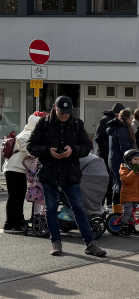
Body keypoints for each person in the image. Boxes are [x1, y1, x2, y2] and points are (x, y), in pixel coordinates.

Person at [28, 96, 108, 257]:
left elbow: (86, 147)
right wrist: (48, 151)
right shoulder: (44, 123)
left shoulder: (77, 123)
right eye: (61, 112)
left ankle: (90, 243)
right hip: (49, 172)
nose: (64, 115)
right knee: (51, 208)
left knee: (79, 207)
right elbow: (31, 145)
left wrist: (73, 150)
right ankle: (56, 242)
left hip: (70, 173)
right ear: (55, 108)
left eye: (67, 112)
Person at [2, 112, 47, 234]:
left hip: (17, 169)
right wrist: (32, 153)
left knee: (18, 197)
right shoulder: (30, 132)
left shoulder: (31, 132)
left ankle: (18, 221)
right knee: (15, 197)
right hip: (14, 169)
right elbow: (21, 141)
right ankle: (11, 225)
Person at [94, 102, 125, 210]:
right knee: (106, 180)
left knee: (111, 179)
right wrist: (109, 148)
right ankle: (102, 204)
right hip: (104, 154)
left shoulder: (112, 120)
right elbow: (98, 137)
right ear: (117, 113)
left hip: (108, 154)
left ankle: (108, 203)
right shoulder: (105, 120)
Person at [107, 108, 137, 216]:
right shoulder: (122, 130)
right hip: (119, 161)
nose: (132, 121)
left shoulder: (117, 129)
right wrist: (133, 158)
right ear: (128, 119)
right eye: (131, 119)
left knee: (118, 184)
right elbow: (125, 148)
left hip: (115, 159)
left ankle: (118, 212)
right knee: (120, 185)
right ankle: (119, 213)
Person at [117, 149, 139, 237]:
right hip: (127, 195)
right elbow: (126, 180)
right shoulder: (125, 168)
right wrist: (133, 171)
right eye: (135, 159)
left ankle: (131, 227)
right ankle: (123, 227)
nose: (137, 161)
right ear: (128, 160)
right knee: (127, 212)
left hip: (135, 195)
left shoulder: (137, 170)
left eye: (138, 160)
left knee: (133, 212)